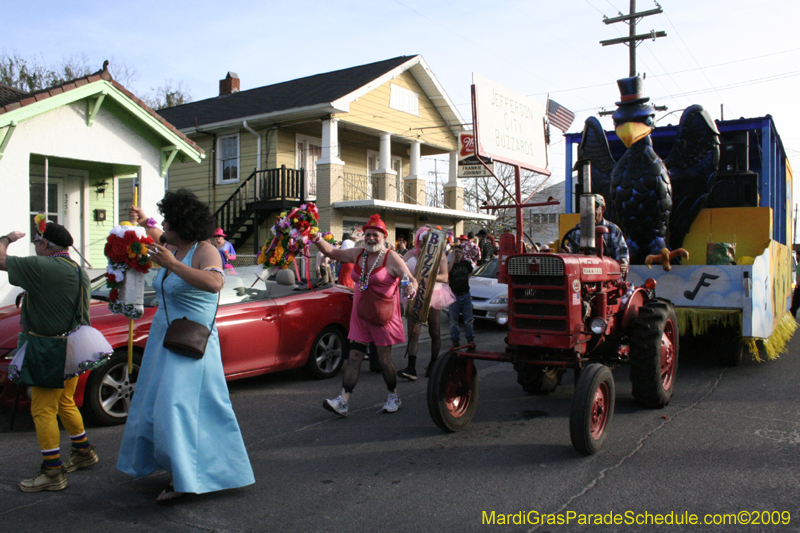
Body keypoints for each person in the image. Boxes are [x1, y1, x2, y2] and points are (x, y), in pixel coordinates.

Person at [118, 189, 254, 503]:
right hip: (163, 339)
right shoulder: (171, 246)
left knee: (178, 409)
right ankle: (176, 467)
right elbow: (153, 232)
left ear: (183, 224)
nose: (163, 226)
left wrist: (173, 265)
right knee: (156, 407)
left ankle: (187, 478)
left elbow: (215, 283)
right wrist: (142, 220)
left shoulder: (204, 250)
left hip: (191, 343)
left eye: (169, 221)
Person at [0, 222, 105, 492]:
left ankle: (52, 473)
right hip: (74, 346)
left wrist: (7, 238)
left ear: (45, 245)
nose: (34, 247)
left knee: (42, 410)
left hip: (50, 350)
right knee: (65, 403)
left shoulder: (44, 267)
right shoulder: (75, 268)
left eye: (36, 242)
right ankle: (83, 452)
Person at [312, 215, 417, 417]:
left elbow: (410, 279)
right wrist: (316, 237)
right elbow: (331, 251)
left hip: (382, 316)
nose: (370, 238)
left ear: (384, 237)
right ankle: (343, 401)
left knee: (384, 358)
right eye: (367, 234)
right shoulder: (358, 254)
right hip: (360, 315)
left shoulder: (391, 257)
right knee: (354, 356)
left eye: (375, 235)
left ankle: (393, 396)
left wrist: (411, 287)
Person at [397, 227, 455, 380]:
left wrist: (427, 277)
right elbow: (400, 270)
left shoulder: (439, 255)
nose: (423, 243)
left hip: (433, 294)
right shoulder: (410, 254)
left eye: (426, 240)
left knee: (434, 331)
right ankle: (411, 367)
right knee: (413, 332)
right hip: (414, 295)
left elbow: (445, 276)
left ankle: (433, 364)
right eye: (421, 240)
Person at [562, 194, 630, 270]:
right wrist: (567, 252)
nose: (590, 210)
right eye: (588, 206)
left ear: (603, 209)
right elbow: (570, 251)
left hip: (607, 272)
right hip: (582, 271)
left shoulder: (613, 229)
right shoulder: (577, 230)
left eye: (595, 206)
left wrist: (623, 262)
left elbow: (621, 251)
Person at [447, 245, 475, 349]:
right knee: (454, 321)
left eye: (459, 252)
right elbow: (447, 272)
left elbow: (472, 271)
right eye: (455, 252)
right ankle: (455, 340)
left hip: (465, 294)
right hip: (454, 296)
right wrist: (452, 260)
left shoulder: (466, 263)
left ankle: (470, 339)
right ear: (452, 253)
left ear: (462, 253)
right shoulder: (450, 264)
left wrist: (467, 278)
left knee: (468, 320)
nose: (457, 253)